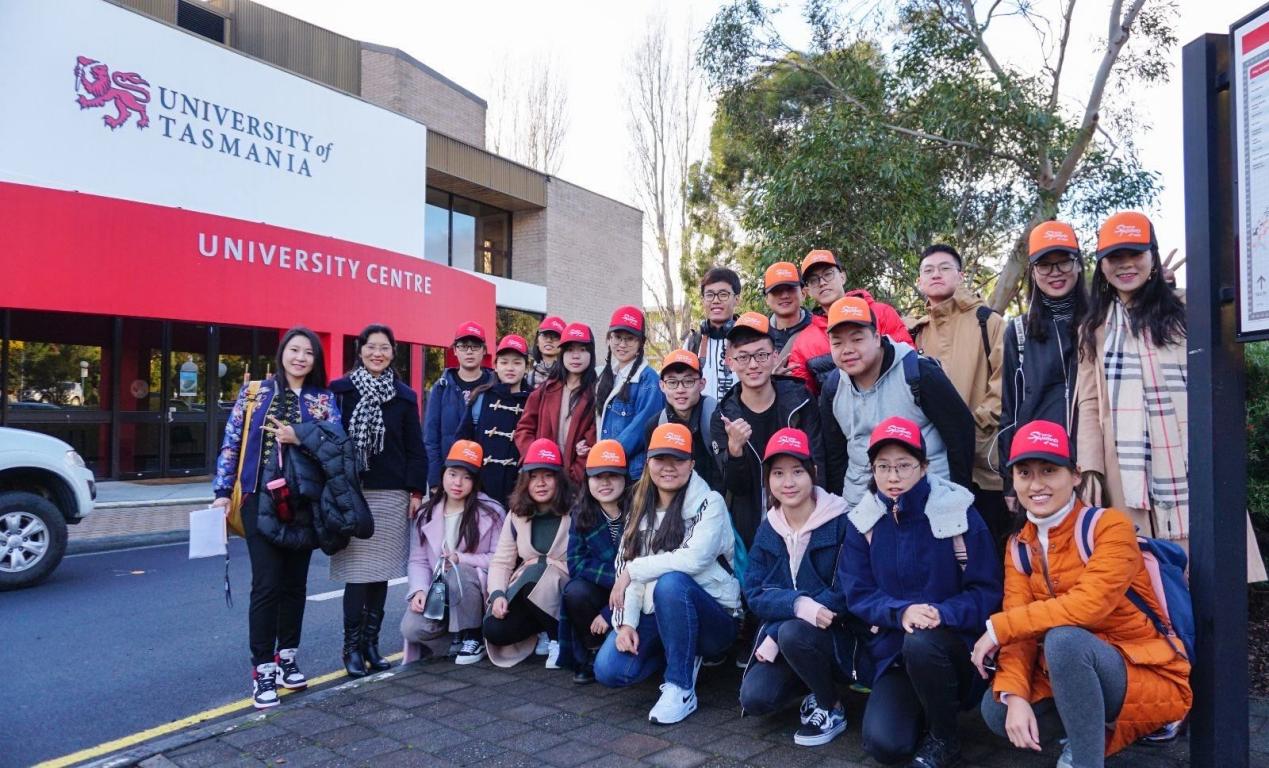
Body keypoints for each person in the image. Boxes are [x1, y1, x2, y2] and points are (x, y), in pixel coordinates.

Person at [972, 420, 1192, 768]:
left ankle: (1084, 756)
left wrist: (997, 628)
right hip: (1070, 670)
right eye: (1025, 473)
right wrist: (1014, 695)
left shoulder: (1110, 526)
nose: (1036, 484)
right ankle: (1086, 728)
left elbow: (1089, 606)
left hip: (1145, 671)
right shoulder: (1019, 545)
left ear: (1075, 475)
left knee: (1064, 640)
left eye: (1049, 470)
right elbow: (1021, 633)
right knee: (997, 709)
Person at [840, 416, 1001, 767]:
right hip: (894, 654)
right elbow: (858, 593)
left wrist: (943, 613)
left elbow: (987, 591)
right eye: (883, 467)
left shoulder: (959, 513)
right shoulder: (863, 520)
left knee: (922, 642)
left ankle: (945, 738)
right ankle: (925, 711)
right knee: (884, 745)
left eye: (903, 465)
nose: (893, 477)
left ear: (924, 466)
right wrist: (900, 612)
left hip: (954, 647)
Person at [212, 327, 343, 709]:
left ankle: (287, 656)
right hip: (258, 498)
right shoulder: (254, 393)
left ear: (316, 360)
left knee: (294, 584)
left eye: (308, 352)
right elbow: (232, 442)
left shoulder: (323, 400)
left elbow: (337, 446)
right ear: (282, 353)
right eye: (294, 350)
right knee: (267, 584)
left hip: (304, 503)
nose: (300, 358)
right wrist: (222, 493)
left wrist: (299, 436)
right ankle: (263, 669)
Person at [594, 424, 741, 725]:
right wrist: (626, 623)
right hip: (657, 610)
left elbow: (693, 560)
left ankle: (680, 687)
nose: (669, 467)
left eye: (678, 459)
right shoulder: (639, 506)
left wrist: (633, 570)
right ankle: (679, 652)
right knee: (609, 670)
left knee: (671, 583)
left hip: (714, 617)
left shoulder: (710, 502)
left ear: (692, 463)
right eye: (661, 459)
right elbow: (630, 569)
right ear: (648, 462)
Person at [739, 428, 853, 747]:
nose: (788, 482)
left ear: (813, 472)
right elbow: (754, 593)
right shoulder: (768, 528)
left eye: (797, 471)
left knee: (790, 632)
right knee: (755, 698)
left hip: (837, 636)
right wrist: (799, 606)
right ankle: (811, 686)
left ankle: (831, 706)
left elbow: (844, 594)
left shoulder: (841, 522)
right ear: (768, 479)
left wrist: (777, 631)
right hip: (791, 638)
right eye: (778, 473)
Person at [329, 324, 428, 678]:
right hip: (352, 494)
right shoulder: (340, 391)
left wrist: (416, 492)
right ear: (360, 350)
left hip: (391, 494)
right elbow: (328, 441)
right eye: (371, 347)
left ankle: (371, 644)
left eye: (384, 347)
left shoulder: (404, 396)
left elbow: (415, 449)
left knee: (381, 574)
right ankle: (351, 648)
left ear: (393, 353)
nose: (377, 353)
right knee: (358, 575)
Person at [819, 295, 975, 507]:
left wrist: (960, 498)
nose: (847, 350)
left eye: (857, 339)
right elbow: (835, 455)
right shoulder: (833, 388)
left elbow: (960, 433)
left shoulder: (919, 374)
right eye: (837, 342)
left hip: (928, 501)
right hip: (861, 505)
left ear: (876, 337)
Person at [908, 243, 1008, 547]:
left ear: (960, 275)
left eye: (944, 268)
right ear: (919, 282)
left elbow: (1005, 381)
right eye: (928, 270)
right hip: (936, 462)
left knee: (990, 542)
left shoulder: (988, 321)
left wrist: (972, 426)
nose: (936, 274)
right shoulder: (916, 333)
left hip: (983, 460)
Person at [711, 312, 825, 549]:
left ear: (775, 357)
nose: (753, 365)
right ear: (730, 362)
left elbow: (818, 466)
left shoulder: (800, 402)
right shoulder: (723, 416)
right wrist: (735, 451)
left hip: (803, 522)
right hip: (751, 529)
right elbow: (736, 487)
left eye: (761, 355)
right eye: (743, 357)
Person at [998, 222, 1088, 511]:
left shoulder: (1101, 323)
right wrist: (1009, 481)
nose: (1055, 272)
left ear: (1078, 264)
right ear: (1032, 271)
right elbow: (1010, 411)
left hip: (1093, 462)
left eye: (1064, 262)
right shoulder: (1018, 332)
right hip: (1040, 465)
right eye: (1045, 265)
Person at [401, 440, 505, 666]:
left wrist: (462, 558)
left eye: (467, 477)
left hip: (475, 592)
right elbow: (418, 560)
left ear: (475, 481)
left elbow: (500, 558)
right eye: (453, 474)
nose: (457, 483)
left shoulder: (492, 511)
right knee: (411, 628)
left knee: (461, 572)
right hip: (439, 594)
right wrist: (419, 589)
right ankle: (454, 640)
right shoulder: (426, 513)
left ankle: (474, 635)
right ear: (443, 475)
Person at [483, 438, 573, 669]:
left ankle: (558, 639)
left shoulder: (575, 511)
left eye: (548, 475)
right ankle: (541, 629)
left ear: (559, 478)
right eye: (533, 476)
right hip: (527, 587)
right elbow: (502, 561)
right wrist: (497, 594)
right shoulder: (516, 514)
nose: (540, 483)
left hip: (563, 586)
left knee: (536, 573)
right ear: (525, 480)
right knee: (494, 629)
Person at [786, 249, 913, 395]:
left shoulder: (881, 313)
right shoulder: (803, 343)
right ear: (808, 291)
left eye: (828, 274)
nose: (822, 283)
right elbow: (800, 394)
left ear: (842, 277)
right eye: (814, 280)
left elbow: (909, 361)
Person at [560, 439, 630, 684]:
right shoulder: (581, 513)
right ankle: (592, 648)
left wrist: (610, 612)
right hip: (603, 587)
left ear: (625, 477)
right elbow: (576, 562)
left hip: (638, 589)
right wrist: (617, 578)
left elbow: (646, 563)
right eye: (598, 477)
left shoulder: (640, 510)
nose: (605, 483)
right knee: (574, 591)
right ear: (588, 481)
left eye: (612, 475)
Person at [514, 322, 598, 487]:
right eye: (570, 350)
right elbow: (524, 429)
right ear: (562, 354)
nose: (576, 356)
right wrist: (536, 460)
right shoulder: (546, 390)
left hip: (575, 483)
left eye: (582, 350)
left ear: (591, 354)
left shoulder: (597, 394)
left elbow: (592, 440)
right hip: (542, 476)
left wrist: (573, 476)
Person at [459, 334, 533, 507]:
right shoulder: (481, 397)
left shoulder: (534, 400)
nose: (510, 368)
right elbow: (463, 441)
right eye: (504, 362)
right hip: (481, 490)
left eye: (517, 363)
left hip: (521, 490)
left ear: (526, 367)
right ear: (495, 365)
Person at [596, 306, 665, 481]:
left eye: (630, 339)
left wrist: (609, 457)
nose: (622, 344)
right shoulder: (607, 376)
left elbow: (642, 427)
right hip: (605, 468)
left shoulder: (649, 380)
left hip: (630, 474)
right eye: (617, 337)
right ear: (609, 338)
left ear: (641, 343)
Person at [425, 321, 494, 492]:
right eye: (463, 346)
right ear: (455, 350)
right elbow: (431, 439)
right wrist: (435, 481)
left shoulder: (495, 387)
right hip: (451, 479)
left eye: (475, 346)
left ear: (484, 350)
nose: (469, 351)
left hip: (486, 478)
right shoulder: (441, 388)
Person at [643, 349, 722, 492]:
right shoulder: (655, 426)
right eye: (672, 382)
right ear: (662, 386)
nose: (680, 389)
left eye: (688, 381)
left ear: (702, 384)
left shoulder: (717, 418)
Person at [683, 266, 741, 402]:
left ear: (737, 299)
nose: (715, 300)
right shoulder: (692, 343)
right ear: (703, 300)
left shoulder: (749, 340)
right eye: (709, 295)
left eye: (723, 294)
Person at [763, 261, 813, 373]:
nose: (784, 296)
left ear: (803, 293)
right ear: (767, 299)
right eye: (776, 291)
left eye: (790, 288)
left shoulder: (821, 328)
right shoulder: (759, 335)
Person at [527, 315, 566, 389]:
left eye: (555, 336)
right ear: (537, 341)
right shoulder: (527, 378)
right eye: (545, 335)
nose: (549, 340)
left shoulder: (570, 377)